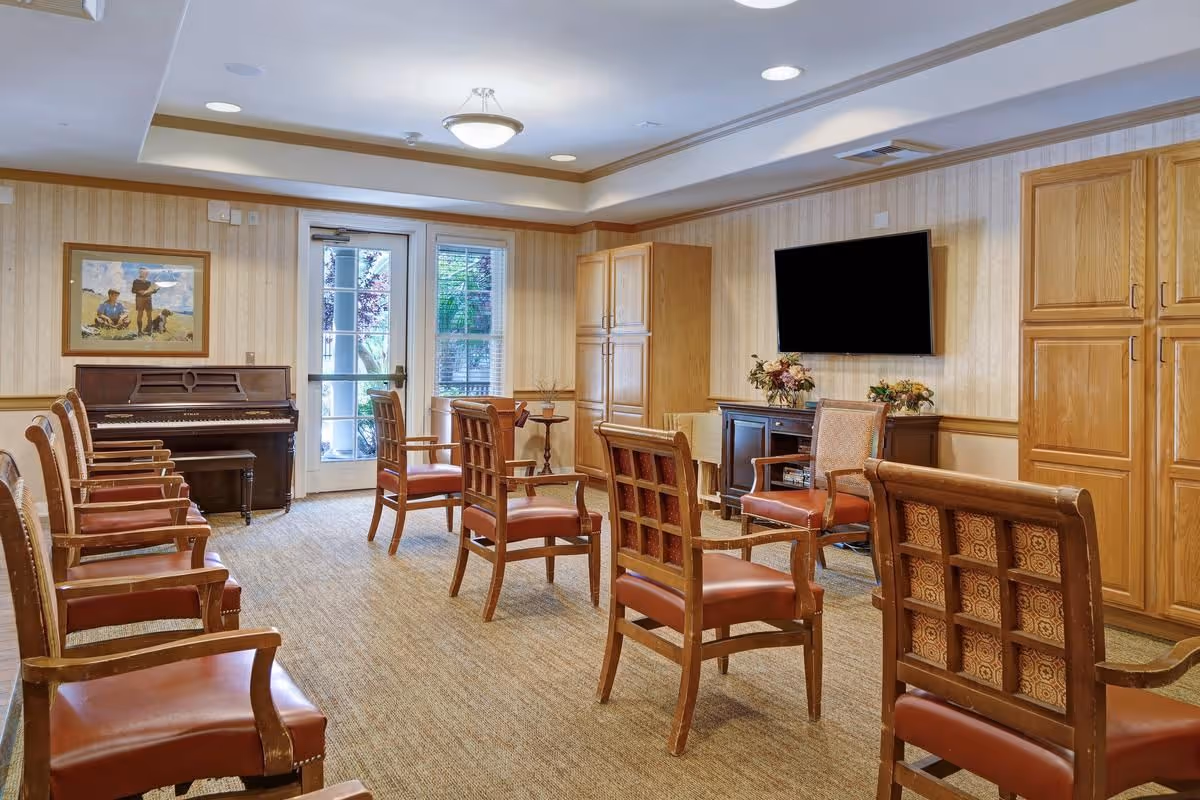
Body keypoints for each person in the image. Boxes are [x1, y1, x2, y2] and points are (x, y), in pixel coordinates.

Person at [131, 267, 159, 335]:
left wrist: (155, 290)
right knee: (140, 314)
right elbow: (133, 290)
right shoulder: (136, 281)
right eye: (144, 272)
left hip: (148, 299)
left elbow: (150, 291)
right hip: (139, 299)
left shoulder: (149, 282)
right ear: (140, 273)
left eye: (146, 272)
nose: (146, 273)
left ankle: (149, 331)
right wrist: (139, 291)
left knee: (149, 315)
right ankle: (140, 331)